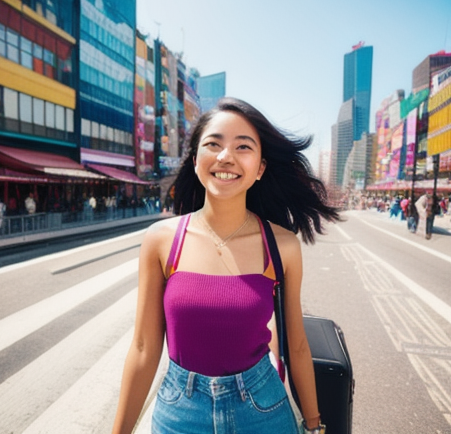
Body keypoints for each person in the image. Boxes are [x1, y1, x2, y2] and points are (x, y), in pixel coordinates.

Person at [112, 98, 339, 434]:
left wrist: (315, 425)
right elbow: (144, 349)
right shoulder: (160, 240)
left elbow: (297, 344)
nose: (225, 157)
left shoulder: (282, 244)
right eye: (213, 144)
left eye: (243, 147)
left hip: (263, 409)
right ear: (194, 159)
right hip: (179, 413)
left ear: (260, 167)